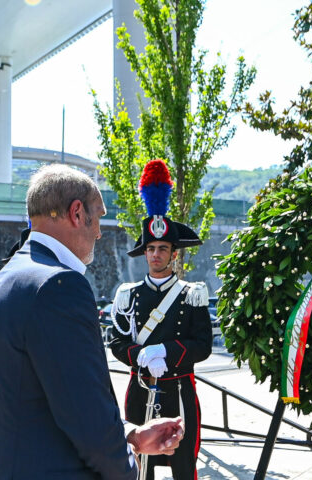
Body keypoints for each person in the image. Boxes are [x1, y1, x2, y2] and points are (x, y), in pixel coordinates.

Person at [0, 165, 183, 480]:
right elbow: (85, 415)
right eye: (97, 216)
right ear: (76, 213)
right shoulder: (60, 284)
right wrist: (125, 468)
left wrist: (130, 435)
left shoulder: (10, 274)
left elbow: (43, 397)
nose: (99, 231)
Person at [109, 159, 212, 480]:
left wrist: (166, 351)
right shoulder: (129, 294)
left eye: (163, 248)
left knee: (183, 466)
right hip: (140, 390)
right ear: (145, 253)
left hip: (179, 389)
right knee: (140, 466)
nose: (156, 254)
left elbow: (204, 346)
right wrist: (139, 354)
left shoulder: (191, 294)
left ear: (174, 253)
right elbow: (116, 342)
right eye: (151, 248)